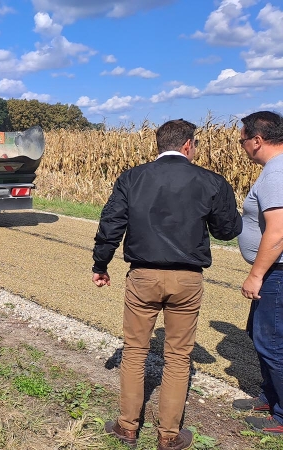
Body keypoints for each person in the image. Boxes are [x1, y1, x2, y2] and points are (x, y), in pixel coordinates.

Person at [91, 119, 242, 449]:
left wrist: (100, 263)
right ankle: (169, 436)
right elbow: (227, 230)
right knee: (178, 357)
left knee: (134, 352)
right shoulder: (211, 181)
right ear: (188, 145)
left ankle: (127, 427)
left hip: (142, 276)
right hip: (188, 280)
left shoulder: (132, 178)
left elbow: (111, 224)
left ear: (159, 145)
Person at [234, 111, 283, 436]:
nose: (241, 147)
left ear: (257, 140)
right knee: (258, 334)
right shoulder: (274, 170)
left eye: (242, 140)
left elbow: (278, 231)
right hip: (273, 272)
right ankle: (269, 396)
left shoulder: (276, 173)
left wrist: (256, 274)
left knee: (272, 341)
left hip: (276, 273)